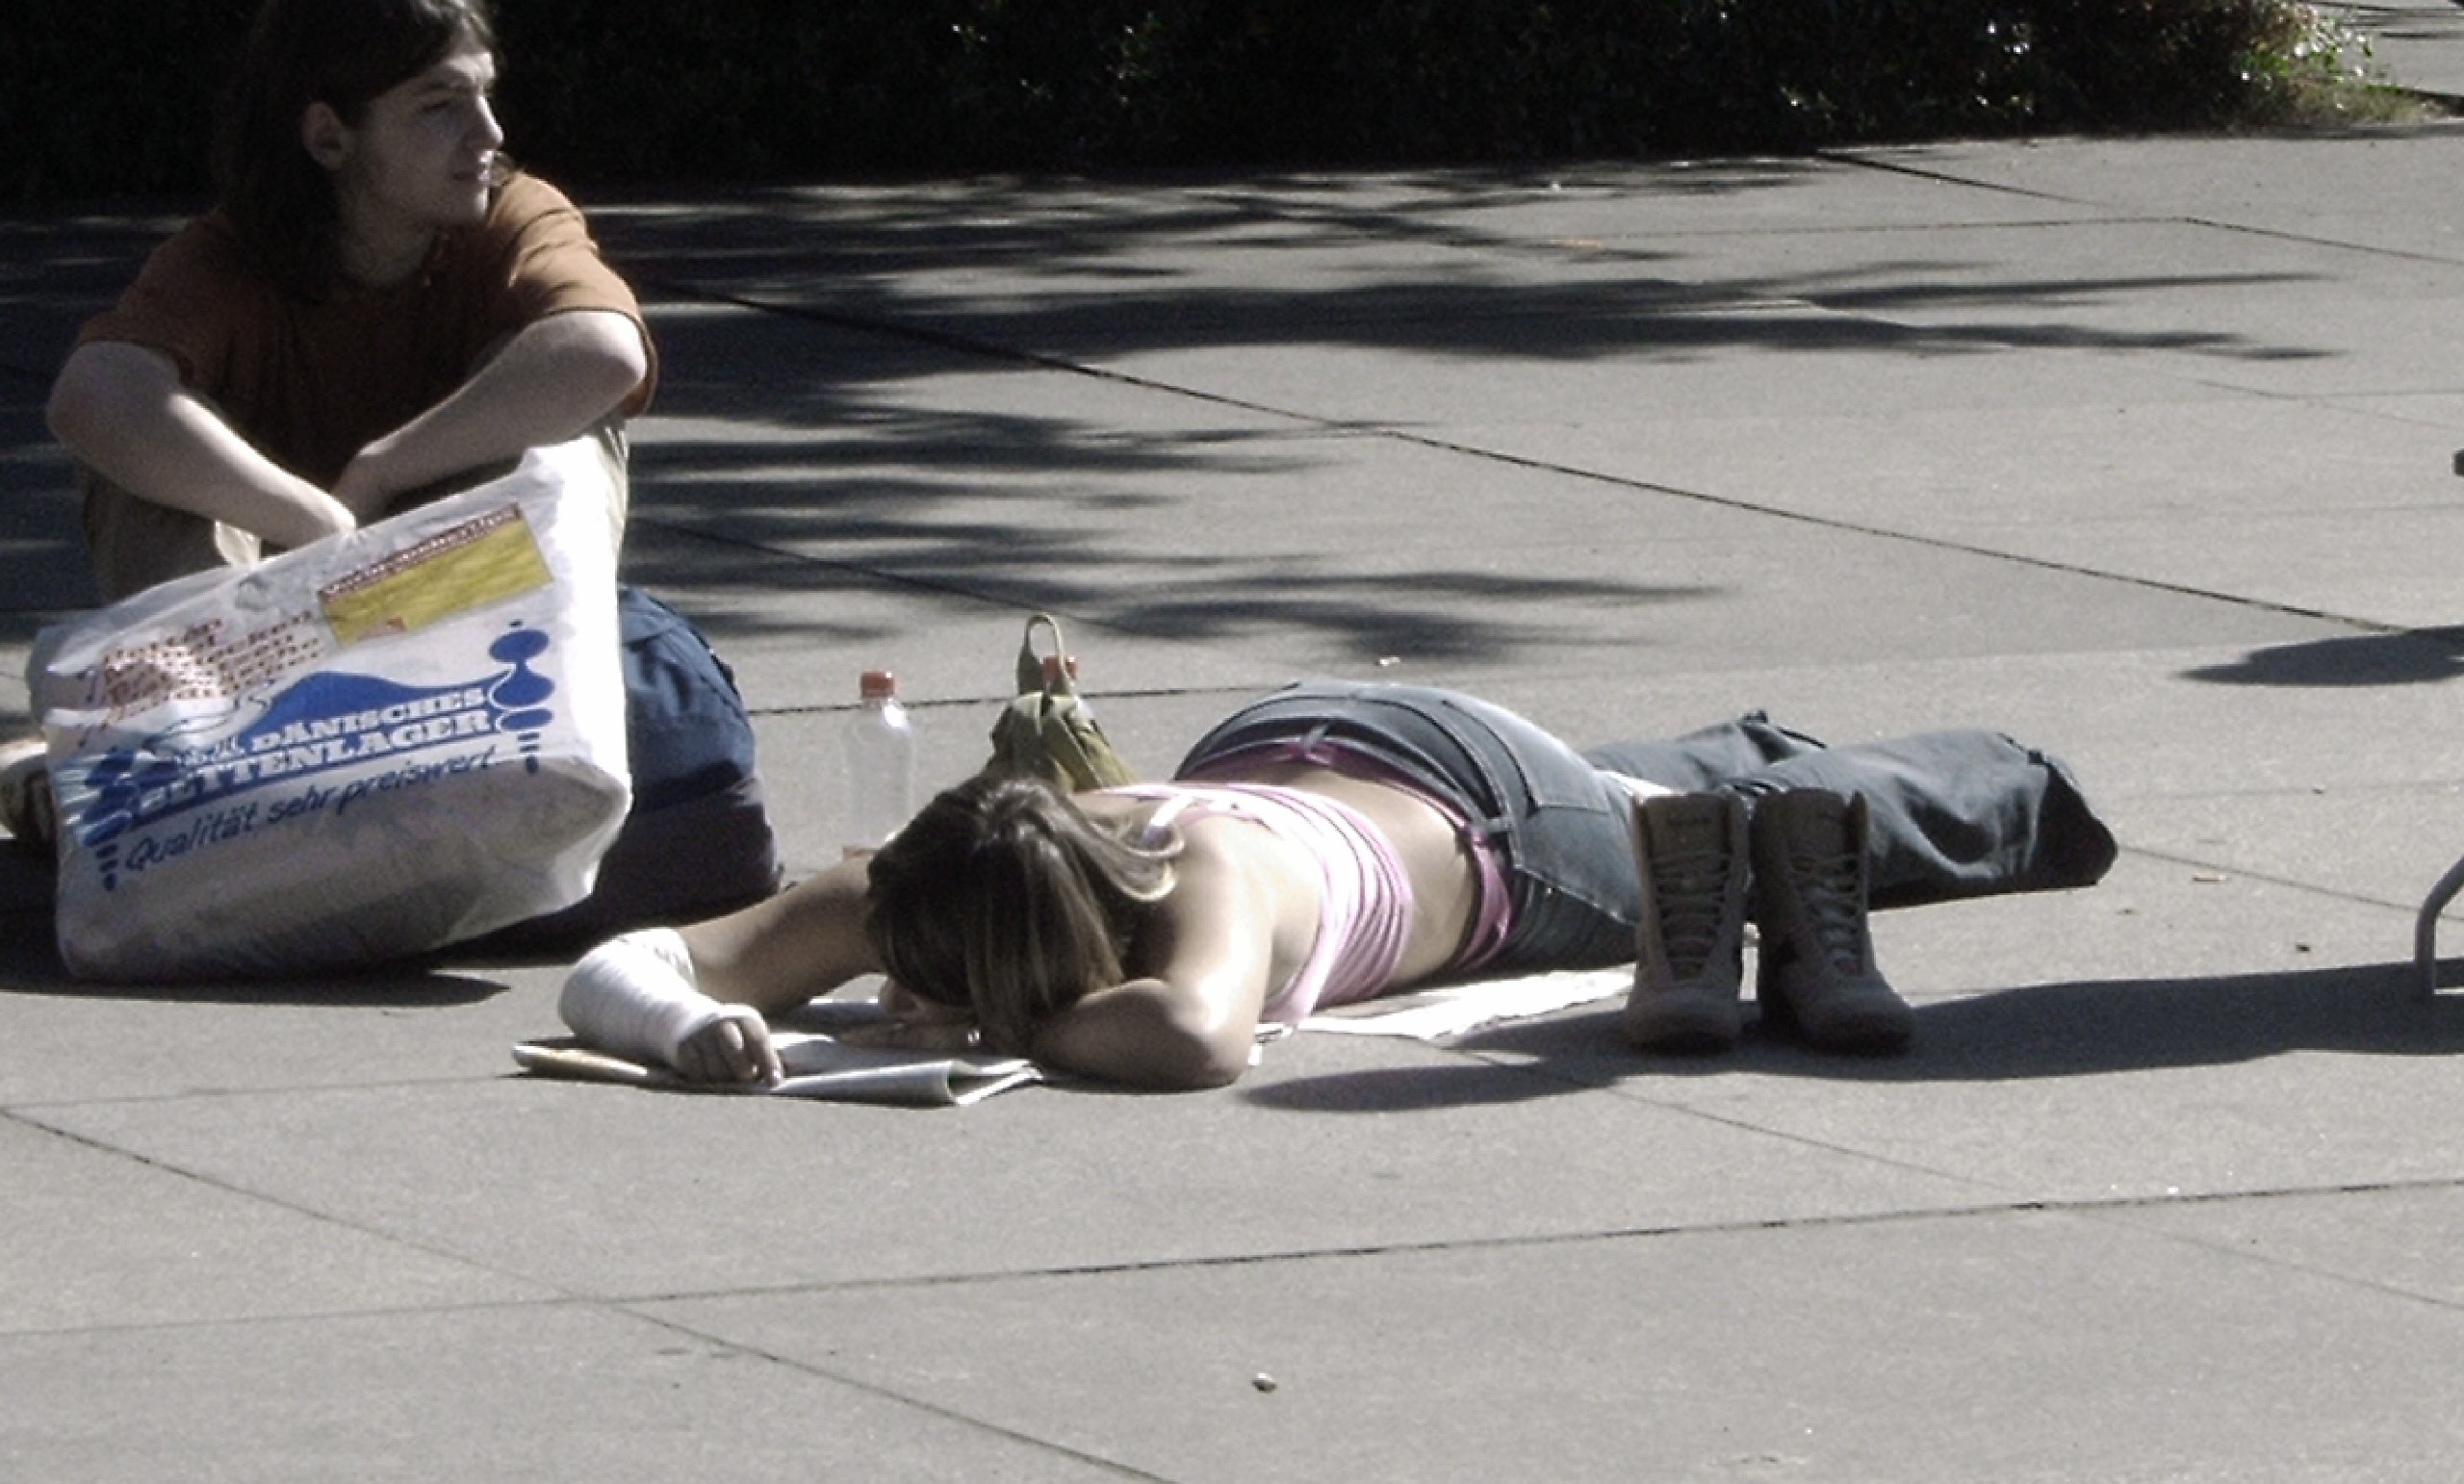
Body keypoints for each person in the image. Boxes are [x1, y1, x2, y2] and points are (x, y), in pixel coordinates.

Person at [9, 0, 780, 935]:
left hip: (455, 633)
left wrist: (379, 472)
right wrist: (312, 522)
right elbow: (92, 394)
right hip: (260, 657)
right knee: (144, 461)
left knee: (570, 428)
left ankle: (120, 772)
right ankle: (209, 761)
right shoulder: (229, 258)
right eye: (440, 107)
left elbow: (604, 353)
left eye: (486, 100)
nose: (488, 136)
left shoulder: (512, 216)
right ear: (330, 137)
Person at [556, 681, 2118, 1089]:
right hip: (1315, 742)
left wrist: (995, 1035)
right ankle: (1723, 760)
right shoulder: (928, 885)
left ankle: (2002, 780)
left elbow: (1192, 1040)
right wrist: (692, 1028)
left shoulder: (1207, 880)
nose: (890, 995)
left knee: (1705, 834)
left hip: (1504, 833)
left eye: (935, 989)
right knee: (1648, 782)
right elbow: (628, 965)